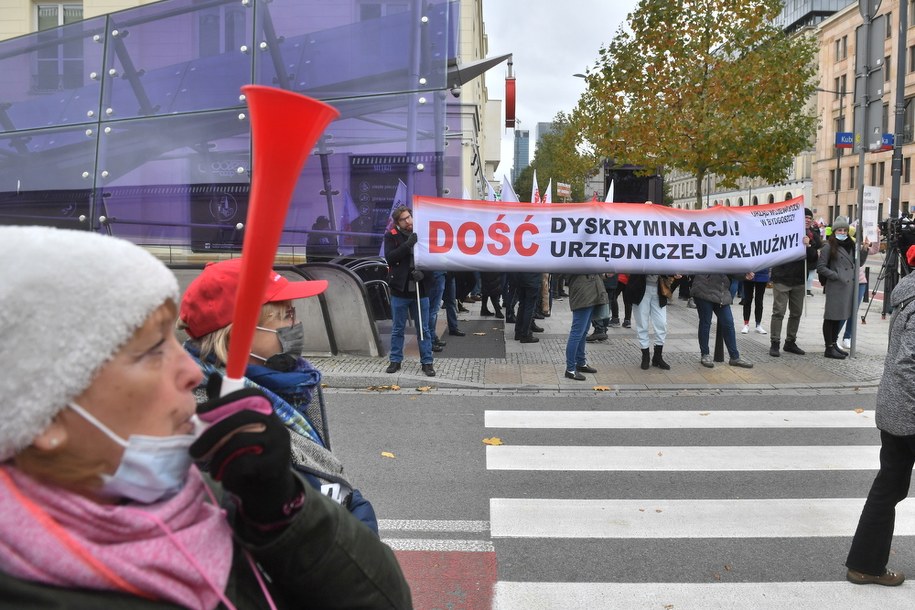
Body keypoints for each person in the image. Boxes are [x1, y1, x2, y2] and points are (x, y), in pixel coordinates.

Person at [0, 226, 411, 608]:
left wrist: (286, 515)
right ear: (44, 418)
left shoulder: (204, 497)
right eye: (150, 351)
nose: (194, 371)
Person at [178, 258, 378, 532]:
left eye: (292, 314)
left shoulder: (290, 386)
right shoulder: (214, 421)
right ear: (235, 336)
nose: (295, 327)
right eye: (285, 317)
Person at [844, 246, 915, 587]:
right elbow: (908, 364)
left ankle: (865, 564)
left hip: (896, 407)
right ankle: (866, 565)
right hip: (909, 412)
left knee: (888, 487)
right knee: (888, 487)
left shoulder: (906, 295)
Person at [384, 205, 435, 376]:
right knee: (398, 328)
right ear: (397, 222)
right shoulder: (391, 236)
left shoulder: (422, 234)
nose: (408, 221)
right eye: (404, 219)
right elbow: (390, 258)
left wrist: (424, 274)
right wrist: (407, 245)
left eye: (409, 217)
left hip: (420, 290)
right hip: (400, 290)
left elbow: (432, 259)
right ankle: (395, 360)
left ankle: (427, 362)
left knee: (423, 329)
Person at [768, 207, 820, 357]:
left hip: (799, 279)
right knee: (779, 311)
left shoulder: (813, 235)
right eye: (805, 217)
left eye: (810, 218)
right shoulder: (784, 231)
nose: (808, 220)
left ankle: (790, 341)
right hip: (782, 277)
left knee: (796, 312)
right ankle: (775, 342)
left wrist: (808, 245)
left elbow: (813, 259)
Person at [690, 273, 754, 369]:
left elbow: (732, 269)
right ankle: (705, 354)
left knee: (728, 323)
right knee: (705, 323)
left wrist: (744, 275)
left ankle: (734, 357)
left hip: (721, 293)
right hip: (703, 289)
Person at [816, 216, 856, 359]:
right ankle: (829, 348)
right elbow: (820, 267)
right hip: (835, 286)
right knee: (831, 317)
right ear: (834, 231)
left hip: (847, 287)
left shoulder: (851, 245)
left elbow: (858, 263)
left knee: (840, 316)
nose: (843, 232)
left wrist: (863, 249)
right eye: (840, 230)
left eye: (845, 230)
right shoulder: (828, 246)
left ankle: (834, 344)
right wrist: (836, 275)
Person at [626, 273, 680, 370]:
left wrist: (673, 272)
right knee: (642, 324)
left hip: (659, 288)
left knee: (661, 323)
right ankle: (645, 356)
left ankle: (657, 356)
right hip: (639, 288)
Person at [840, 226, 879, 350]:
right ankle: (833, 337)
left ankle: (847, 337)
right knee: (843, 310)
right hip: (846, 281)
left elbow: (874, 250)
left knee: (853, 311)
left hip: (860, 282)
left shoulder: (862, 245)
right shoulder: (848, 245)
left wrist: (876, 235)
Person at [564, 273, 608, 380]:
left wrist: (604, 274)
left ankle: (581, 362)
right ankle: (570, 369)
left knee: (583, 331)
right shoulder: (577, 258)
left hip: (590, 291)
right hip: (584, 293)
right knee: (577, 332)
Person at [740, 268, 770, 335]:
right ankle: (746, 324)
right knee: (747, 300)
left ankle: (758, 324)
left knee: (759, 301)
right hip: (749, 273)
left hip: (762, 274)